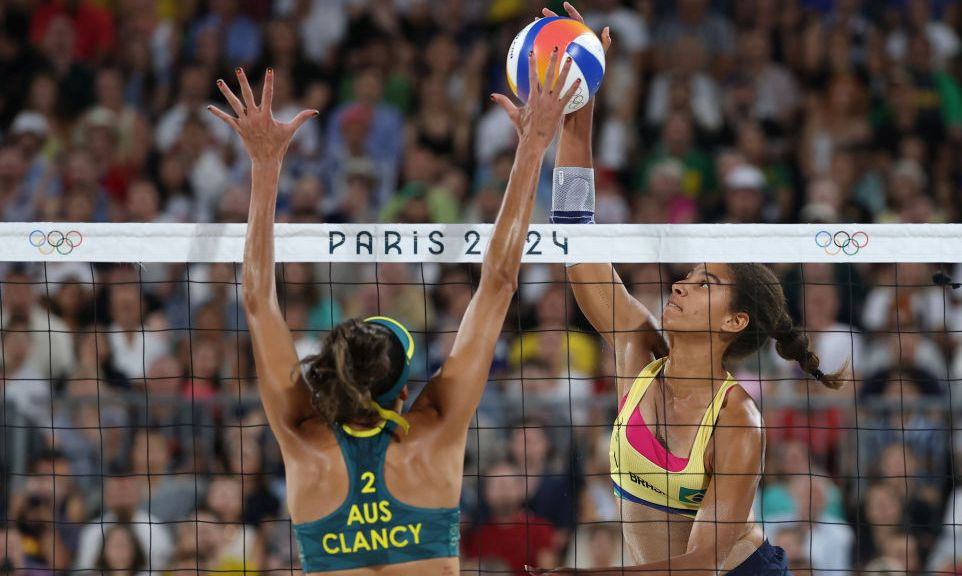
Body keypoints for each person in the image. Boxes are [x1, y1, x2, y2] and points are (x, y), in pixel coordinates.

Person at [207, 56, 579, 574]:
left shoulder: (304, 442)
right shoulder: (433, 432)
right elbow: (498, 284)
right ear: (404, 388)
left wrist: (264, 166)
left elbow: (255, 299)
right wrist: (534, 147)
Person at [530, 4, 845, 575]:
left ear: (735, 321)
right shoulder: (636, 349)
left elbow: (701, 565)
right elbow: (575, 236)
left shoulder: (737, 420)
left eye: (706, 282)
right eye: (690, 274)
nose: (681, 282)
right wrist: (580, 108)